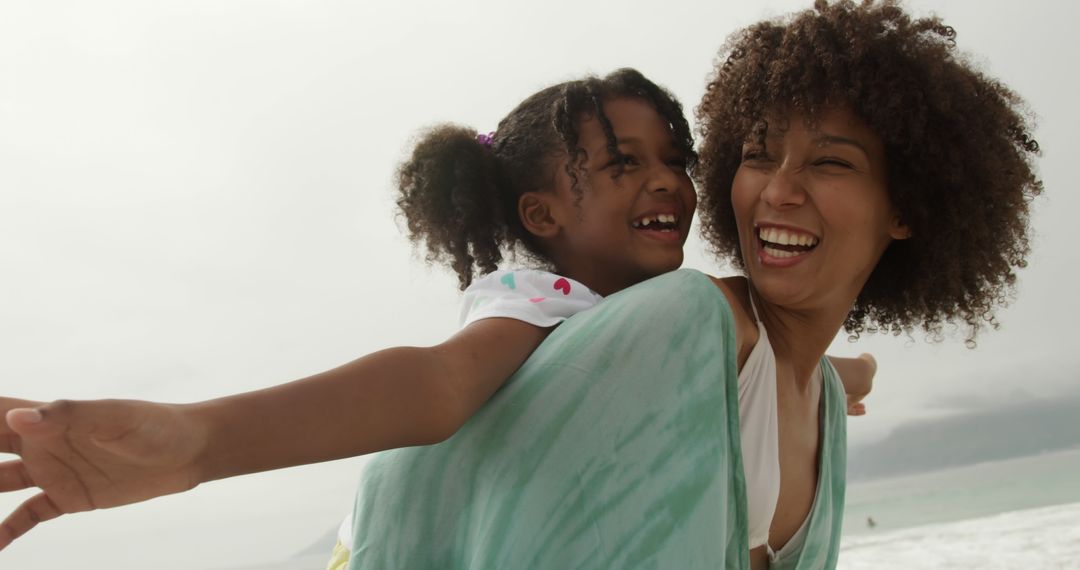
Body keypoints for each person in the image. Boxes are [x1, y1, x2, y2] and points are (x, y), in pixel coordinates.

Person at [0, 68, 875, 557]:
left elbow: (752, 368)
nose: (663, 183)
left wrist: (850, 371)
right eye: (619, 165)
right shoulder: (541, 307)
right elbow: (435, 385)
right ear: (542, 218)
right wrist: (199, 441)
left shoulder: (667, 327)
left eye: (672, 160)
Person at [338, 1, 1040, 569]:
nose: (780, 190)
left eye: (830, 162)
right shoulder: (681, 318)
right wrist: (219, 437)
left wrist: (856, 374)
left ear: (908, 207)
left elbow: (821, 370)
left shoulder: (814, 389)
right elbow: (436, 386)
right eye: (759, 155)